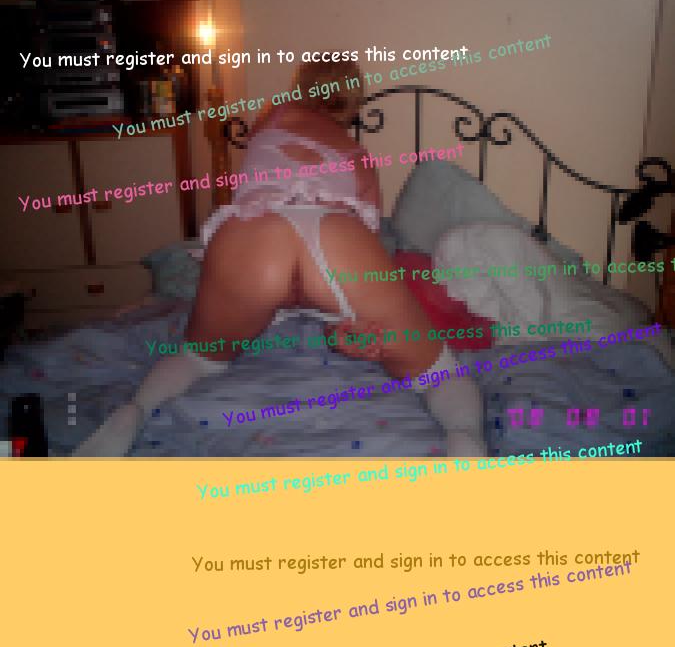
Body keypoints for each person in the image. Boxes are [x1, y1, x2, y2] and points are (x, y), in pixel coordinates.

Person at [74, 59, 485, 457]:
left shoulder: (273, 116)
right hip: (337, 237)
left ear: (300, 87)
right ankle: (466, 440)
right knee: (440, 376)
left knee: (197, 358)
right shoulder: (359, 158)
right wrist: (345, 324)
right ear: (354, 102)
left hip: (255, 233)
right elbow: (365, 243)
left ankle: (135, 411)